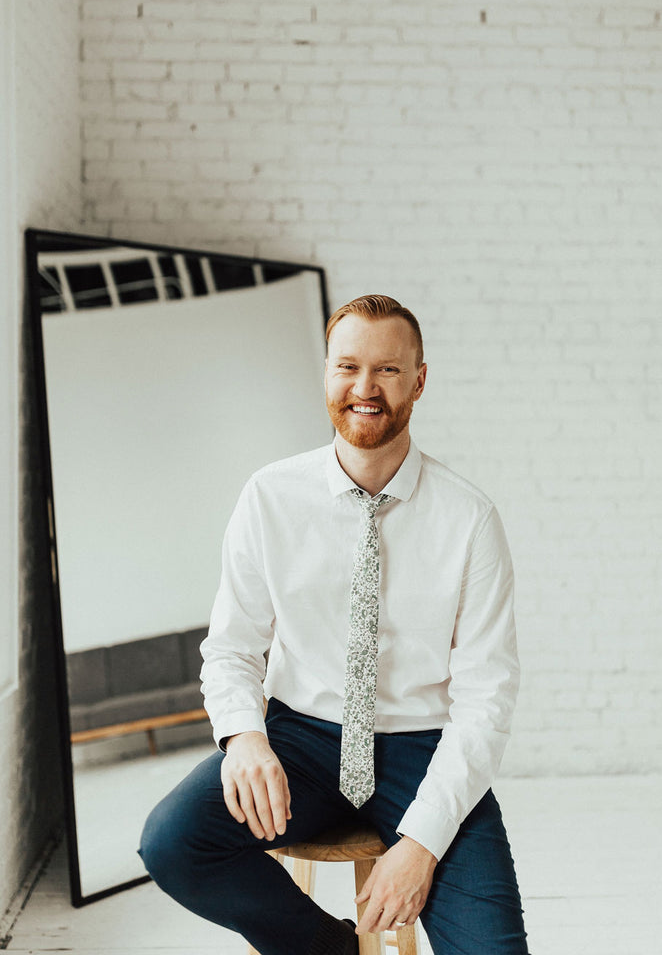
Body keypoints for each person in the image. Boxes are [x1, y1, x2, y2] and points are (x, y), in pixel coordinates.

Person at [140, 295, 529, 955]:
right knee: (173, 842)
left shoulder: (469, 519)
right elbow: (232, 647)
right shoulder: (269, 497)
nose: (364, 388)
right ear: (326, 373)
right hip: (303, 740)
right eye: (348, 366)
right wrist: (243, 737)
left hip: (423, 750)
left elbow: (486, 698)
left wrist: (421, 844)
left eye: (387, 370)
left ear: (419, 381)